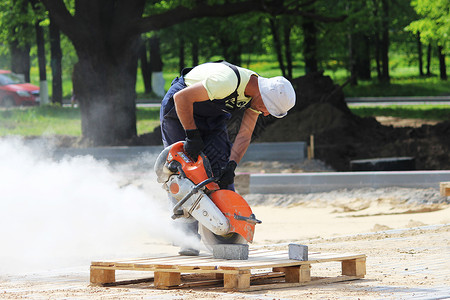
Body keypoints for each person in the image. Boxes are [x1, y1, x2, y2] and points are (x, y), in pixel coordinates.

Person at [160, 61, 296, 255]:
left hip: (211, 119)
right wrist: (192, 134)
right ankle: (187, 239)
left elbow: (245, 134)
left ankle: (228, 231)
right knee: (183, 172)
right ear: (263, 96)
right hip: (178, 110)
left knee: (220, 171)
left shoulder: (256, 96)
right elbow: (181, 98)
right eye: (267, 109)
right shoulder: (226, 81)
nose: (265, 113)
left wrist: (231, 166)